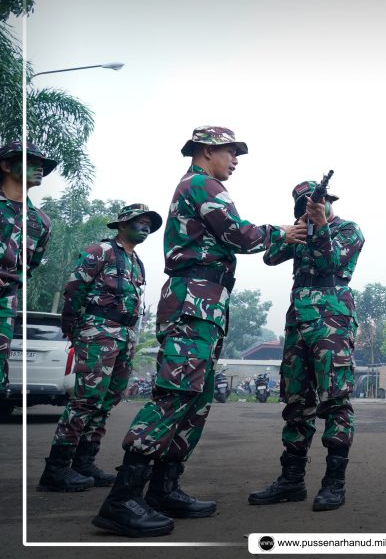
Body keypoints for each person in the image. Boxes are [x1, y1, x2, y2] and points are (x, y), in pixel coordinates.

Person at [92, 126, 305, 537]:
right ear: (207, 151)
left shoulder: (201, 184)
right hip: (194, 299)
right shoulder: (202, 184)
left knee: (197, 398)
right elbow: (239, 234)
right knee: (176, 395)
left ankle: (164, 488)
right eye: (231, 152)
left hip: (206, 302)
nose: (236, 160)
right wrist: (283, 232)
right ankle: (121, 499)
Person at [249, 179, 365, 512]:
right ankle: (292, 480)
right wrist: (297, 229)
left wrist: (320, 225)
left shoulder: (348, 230)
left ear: (329, 200)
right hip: (298, 321)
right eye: (303, 205)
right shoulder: (302, 229)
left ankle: (334, 483)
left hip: (332, 321)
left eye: (315, 202)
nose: (311, 207)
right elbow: (270, 257)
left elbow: (331, 263)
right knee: (297, 400)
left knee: (335, 400)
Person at [39, 204, 162, 493]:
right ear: (122, 225)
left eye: (149, 223)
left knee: (107, 400)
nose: (145, 227)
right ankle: (55, 470)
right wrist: (72, 327)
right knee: (85, 400)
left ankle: (84, 463)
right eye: (139, 222)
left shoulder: (137, 262)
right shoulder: (100, 251)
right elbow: (74, 289)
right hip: (98, 332)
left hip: (125, 335)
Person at [0, 141, 54, 395]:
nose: (40, 169)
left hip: (5, 302)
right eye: (31, 162)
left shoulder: (40, 221)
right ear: (6, 165)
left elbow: (30, 266)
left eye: (42, 165)